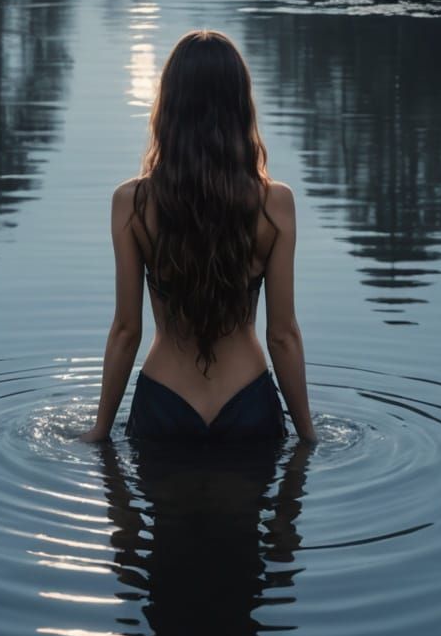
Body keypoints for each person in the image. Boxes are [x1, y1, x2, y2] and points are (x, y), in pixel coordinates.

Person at [77, 29, 317, 447]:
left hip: (164, 403)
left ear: (168, 107)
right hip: (249, 403)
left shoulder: (131, 204)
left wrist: (101, 430)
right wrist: (308, 436)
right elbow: (282, 335)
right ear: (241, 107)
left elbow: (125, 331)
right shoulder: (274, 205)